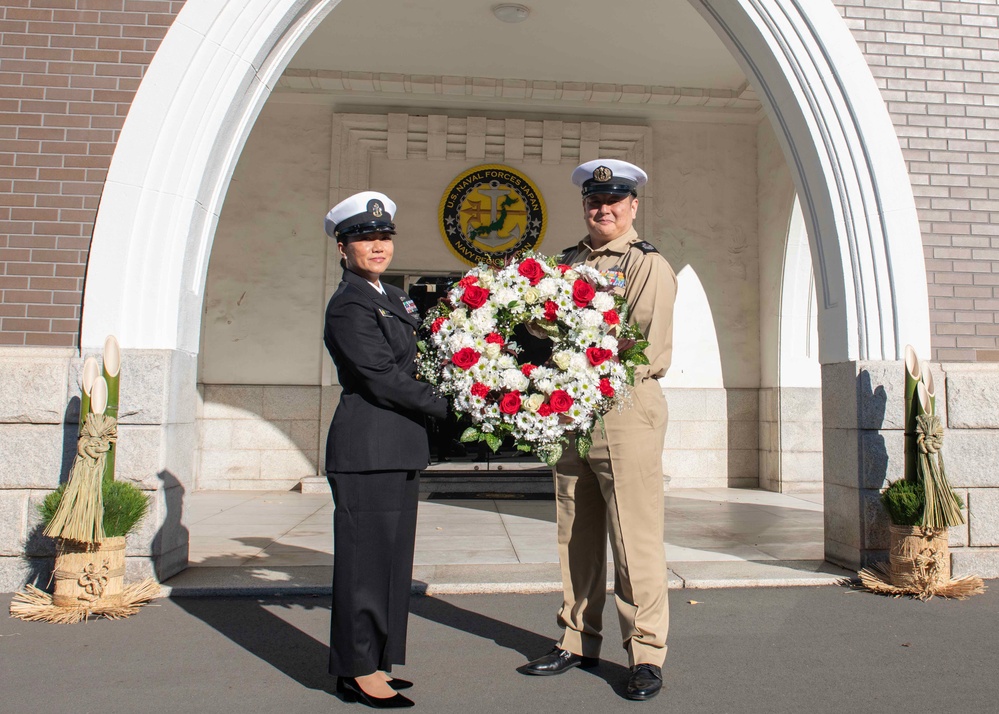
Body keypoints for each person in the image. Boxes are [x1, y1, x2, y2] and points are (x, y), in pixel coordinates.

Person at [518, 160, 677, 701]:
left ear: (633, 206)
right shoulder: (566, 262)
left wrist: (582, 365)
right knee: (575, 529)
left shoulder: (645, 264)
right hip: (572, 413)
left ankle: (646, 653)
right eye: (594, 200)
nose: (602, 209)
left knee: (634, 537)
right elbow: (543, 329)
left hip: (625, 409)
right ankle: (577, 637)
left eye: (614, 200)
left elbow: (646, 349)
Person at [323, 191, 447, 709]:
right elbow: (380, 377)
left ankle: (377, 662)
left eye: (383, 237)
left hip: (397, 447)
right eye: (364, 238)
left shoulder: (391, 298)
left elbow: (417, 360)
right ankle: (356, 672)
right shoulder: (350, 303)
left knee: (391, 563)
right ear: (343, 247)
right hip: (367, 447)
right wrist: (450, 405)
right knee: (363, 565)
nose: (377, 245)